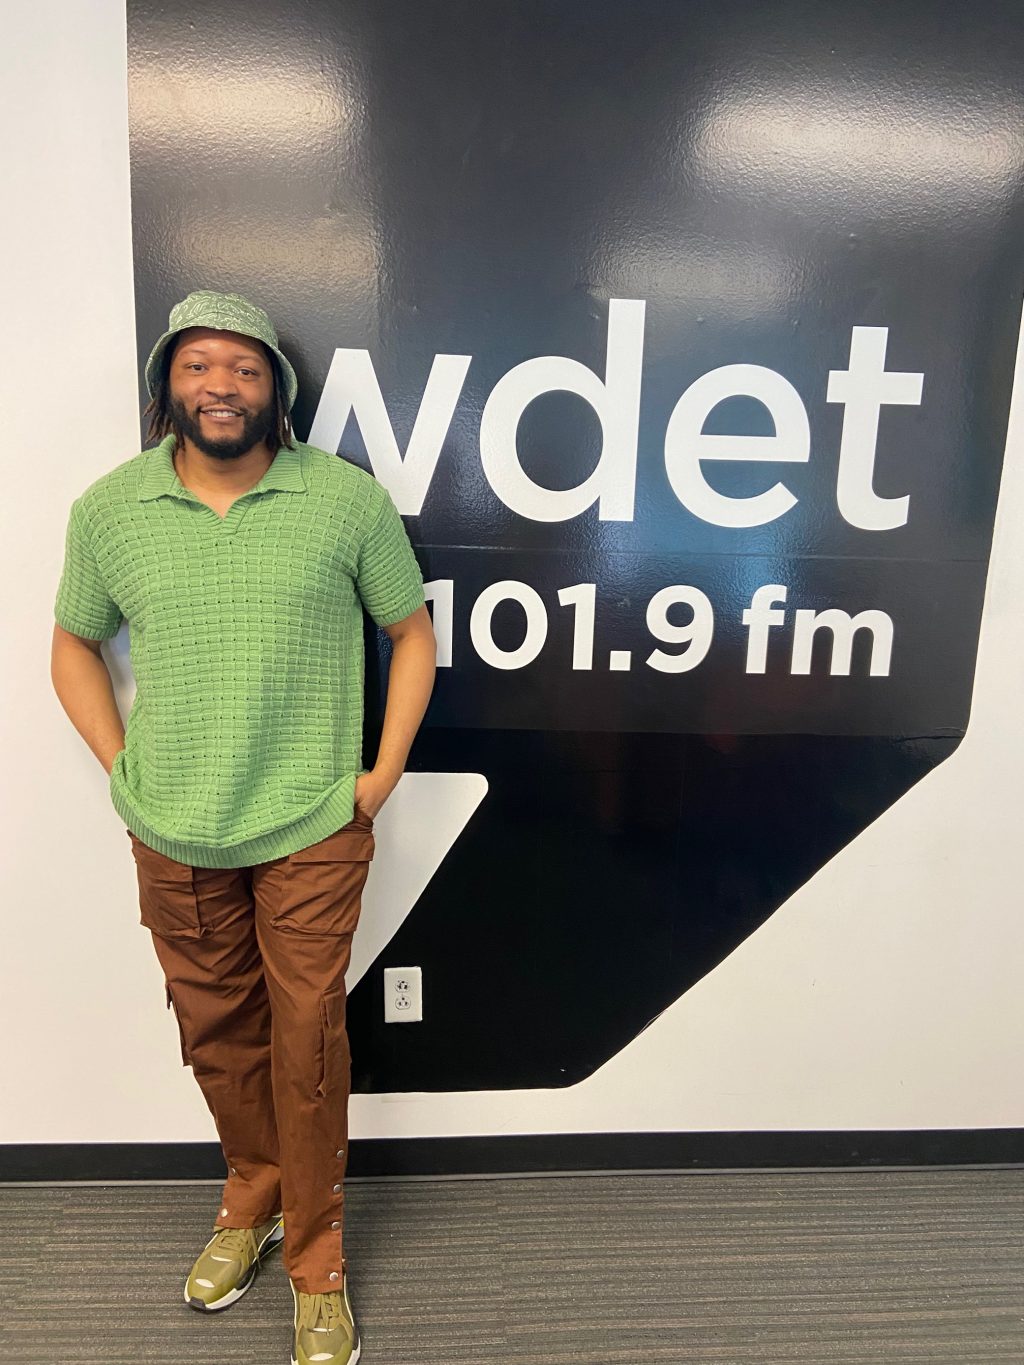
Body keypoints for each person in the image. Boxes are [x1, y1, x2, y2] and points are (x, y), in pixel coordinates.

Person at [50, 289, 437, 1365]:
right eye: (198, 366)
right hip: (171, 823)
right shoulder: (110, 509)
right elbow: (72, 645)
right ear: (166, 385)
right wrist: (123, 767)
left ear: (278, 389)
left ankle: (316, 1259)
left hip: (314, 817)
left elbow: (411, 634)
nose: (221, 385)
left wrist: (381, 774)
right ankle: (252, 1197)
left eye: (245, 368)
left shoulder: (345, 501)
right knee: (215, 1029)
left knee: (305, 1036)